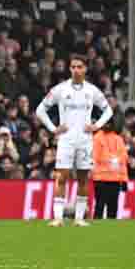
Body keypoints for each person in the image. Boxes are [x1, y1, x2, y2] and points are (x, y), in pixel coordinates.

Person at [35, 55, 112, 226]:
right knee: (62, 177)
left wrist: (96, 125)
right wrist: (53, 129)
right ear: (70, 69)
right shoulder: (60, 89)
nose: (76, 70)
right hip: (66, 140)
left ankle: (79, 218)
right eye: (73, 67)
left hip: (85, 141)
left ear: (85, 69)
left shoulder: (92, 91)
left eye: (79, 67)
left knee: (83, 179)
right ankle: (58, 218)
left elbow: (108, 111)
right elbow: (40, 110)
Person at [90, 125, 129, 219]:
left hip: (109, 178)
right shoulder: (98, 138)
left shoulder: (117, 139)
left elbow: (123, 160)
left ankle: (102, 229)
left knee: (110, 207)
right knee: (102, 206)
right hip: (103, 178)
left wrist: (124, 179)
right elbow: (95, 157)